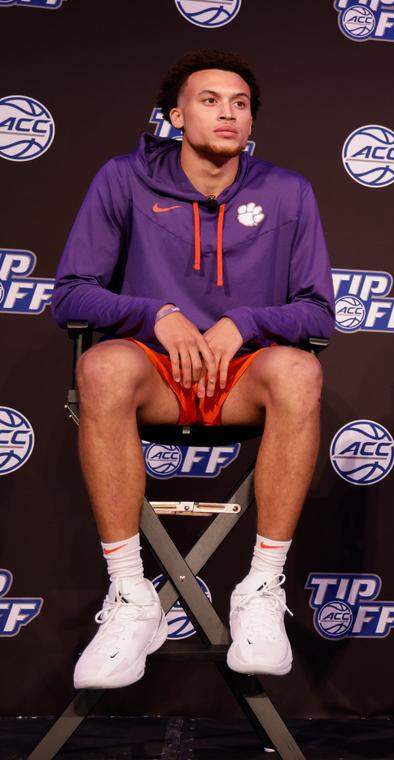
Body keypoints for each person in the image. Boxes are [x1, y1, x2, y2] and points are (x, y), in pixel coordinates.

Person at [52, 49, 333, 688]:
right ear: (175, 115)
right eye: (209, 100)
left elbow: (319, 313)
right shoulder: (125, 178)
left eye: (239, 103)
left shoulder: (287, 191)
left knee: (299, 373)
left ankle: (262, 589)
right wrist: (157, 314)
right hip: (157, 375)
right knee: (101, 367)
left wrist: (244, 322)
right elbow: (68, 294)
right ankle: (130, 594)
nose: (227, 113)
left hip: (241, 380)